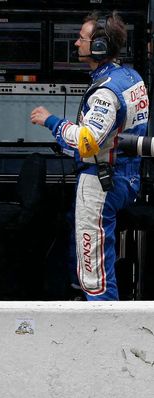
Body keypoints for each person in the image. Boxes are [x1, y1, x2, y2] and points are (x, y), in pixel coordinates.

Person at [30, 11, 148, 301]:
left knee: (94, 268)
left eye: (81, 39)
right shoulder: (130, 76)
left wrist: (52, 122)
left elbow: (87, 142)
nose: (75, 44)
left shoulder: (106, 91)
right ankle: (81, 304)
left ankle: (101, 326)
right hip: (127, 177)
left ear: (99, 46)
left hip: (100, 182)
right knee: (83, 243)